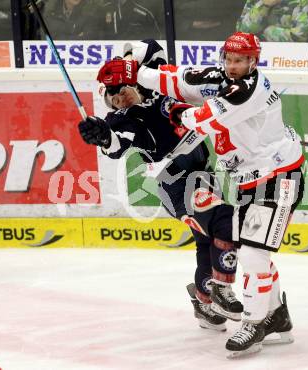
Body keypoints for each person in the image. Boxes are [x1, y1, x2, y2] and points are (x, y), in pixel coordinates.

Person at [102, 32, 304, 357]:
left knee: (253, 252)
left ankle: (255, 322)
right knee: (256, 248)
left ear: (254, 61)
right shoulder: (218, 76)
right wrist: (136, 74)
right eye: (230, 59)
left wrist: (177, 113)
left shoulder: (249, 90)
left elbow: (205, 118)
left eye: (242, 60)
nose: (234, 66)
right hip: (253, 178)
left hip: (278, 176)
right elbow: (178, 79)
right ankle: (277, 316)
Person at [77, 41, 243, 331]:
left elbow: (151, 48)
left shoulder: (156, 85)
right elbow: (116, 144)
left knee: (207, 241)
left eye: (119, 90)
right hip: (178, 185)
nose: (118, 99)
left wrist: (127, 61)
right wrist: (103, 137)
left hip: (205, 175)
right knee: (225, 222)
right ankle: (220, 289)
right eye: (111, 98)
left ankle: (203, 300)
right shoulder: (121, 120)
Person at [236, 0, 308, 42]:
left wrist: (268, 32)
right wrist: (264, 5)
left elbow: (300, 37)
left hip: (291, 60)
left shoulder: (302, 2)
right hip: (256, 57)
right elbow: (242, 33)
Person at [40, 0, 107, 40]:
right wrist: (76, 37)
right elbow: (47, 40)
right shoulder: (50, 12)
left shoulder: (92, 12)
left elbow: (89, 39)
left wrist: (60, 37)